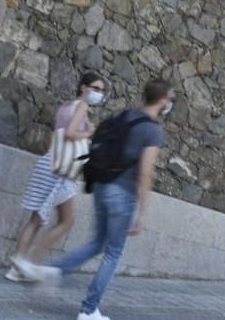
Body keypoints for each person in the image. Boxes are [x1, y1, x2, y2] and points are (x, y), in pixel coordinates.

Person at [13, 78, 173, 320]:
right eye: (170, 99)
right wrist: (142, 212)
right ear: (162, 101)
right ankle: (88, 310)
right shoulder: (153, 130)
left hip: (101, 186)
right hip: (123, 195)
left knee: (97, 243)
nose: (171, 103)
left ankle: (53, 270)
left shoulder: (126, 116)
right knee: (113, 253)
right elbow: (145, 172)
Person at [6, 72, 105, 282]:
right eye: (95, 88)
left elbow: (58, 134)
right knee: (66, 221)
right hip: (61, 171)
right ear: (83, 88)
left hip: (48, 163)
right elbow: (69, 134)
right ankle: (28, 263)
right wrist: (90, 132)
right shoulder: (82, 106)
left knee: (35, 220)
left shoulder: (65, 106)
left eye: (101, 90)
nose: (99, 93)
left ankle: (16, 267)